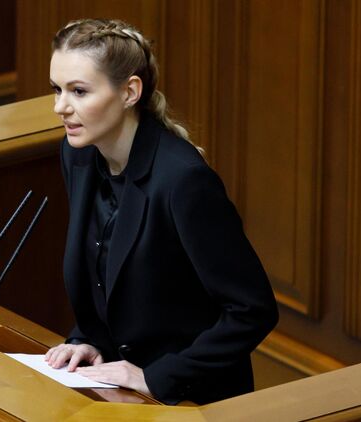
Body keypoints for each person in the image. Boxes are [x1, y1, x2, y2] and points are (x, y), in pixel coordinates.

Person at [44, 18, 279, 405]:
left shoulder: (183, 181)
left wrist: (157, 376)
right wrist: (89, 339)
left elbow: (252, 310)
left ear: (129, 92)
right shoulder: (79, 155)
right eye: (57, 89)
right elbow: (108, 275)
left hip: (191, 399)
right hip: (118, 389)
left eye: (79, 91)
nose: (60, 107)